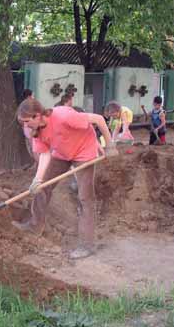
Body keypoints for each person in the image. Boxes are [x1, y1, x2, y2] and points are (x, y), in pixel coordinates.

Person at [14, 98, 118, 259]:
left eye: (27, 122)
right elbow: (44, 154)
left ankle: (87, 245)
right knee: (42, 188)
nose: (25, 126)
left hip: (84, 151)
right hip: (62, 152)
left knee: (85, 198)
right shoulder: (35, 132)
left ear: (37, 116)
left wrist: (109, 145)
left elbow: (98, 119)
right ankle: (35, 226)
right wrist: (37, 180)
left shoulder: (63, 116)